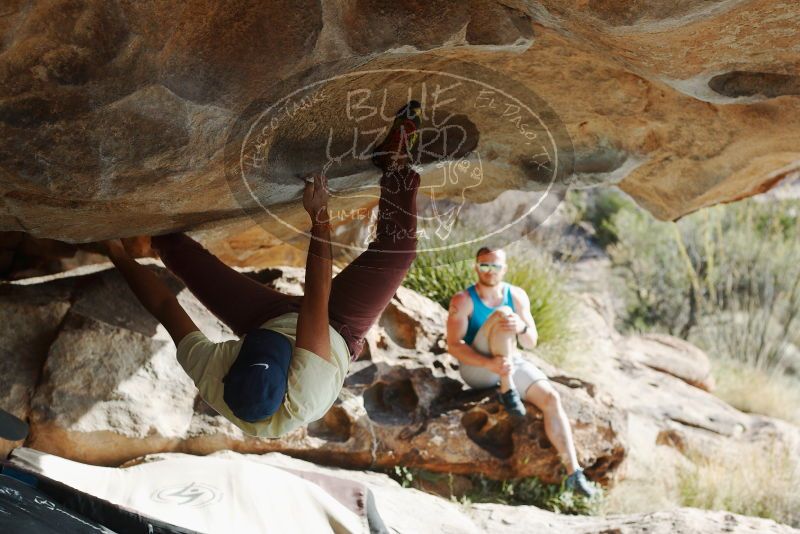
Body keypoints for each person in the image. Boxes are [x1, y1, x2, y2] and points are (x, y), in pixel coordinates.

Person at [104, 105, 421, 438]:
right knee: (399, 253)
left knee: (180, 251)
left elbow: (165, 306)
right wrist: (319, 216)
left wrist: (112, 251)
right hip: (337, 327)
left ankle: (154, 241)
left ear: (231, 366)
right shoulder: (305, 393)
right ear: (287, 380)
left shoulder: (212, 373)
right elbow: (318, 296)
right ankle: (395, 166)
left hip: (264, 321)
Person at [445, 247, 596, 497]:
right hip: (478, 369)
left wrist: (522, 326)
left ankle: (574, 474)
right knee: (504, 314)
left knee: (551, 398)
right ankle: (507, 388)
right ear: (475, 267)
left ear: (504, 268)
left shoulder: (516, 295)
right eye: (484, 266)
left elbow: (531, 342)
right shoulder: (463, 300)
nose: (490, 271)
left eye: (495, 266)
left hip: (509, 363)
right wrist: (489, 365)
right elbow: (453, 345)